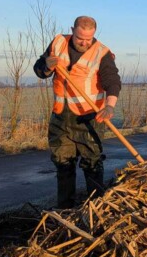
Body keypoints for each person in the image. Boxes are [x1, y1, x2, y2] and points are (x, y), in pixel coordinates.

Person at [33, 16, 121, 208]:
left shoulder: (101, 53)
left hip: (89, 118)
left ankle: (97, 209)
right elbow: (39, 69)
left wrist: (110, 105)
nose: (84, 43)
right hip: (60, 117)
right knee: (63, 164)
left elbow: (113, 82)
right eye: (80, 38)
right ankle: (65, 210)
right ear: (72, 30)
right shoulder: (58, 43)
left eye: (88, 39)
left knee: (92, 164)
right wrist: (47, 66)